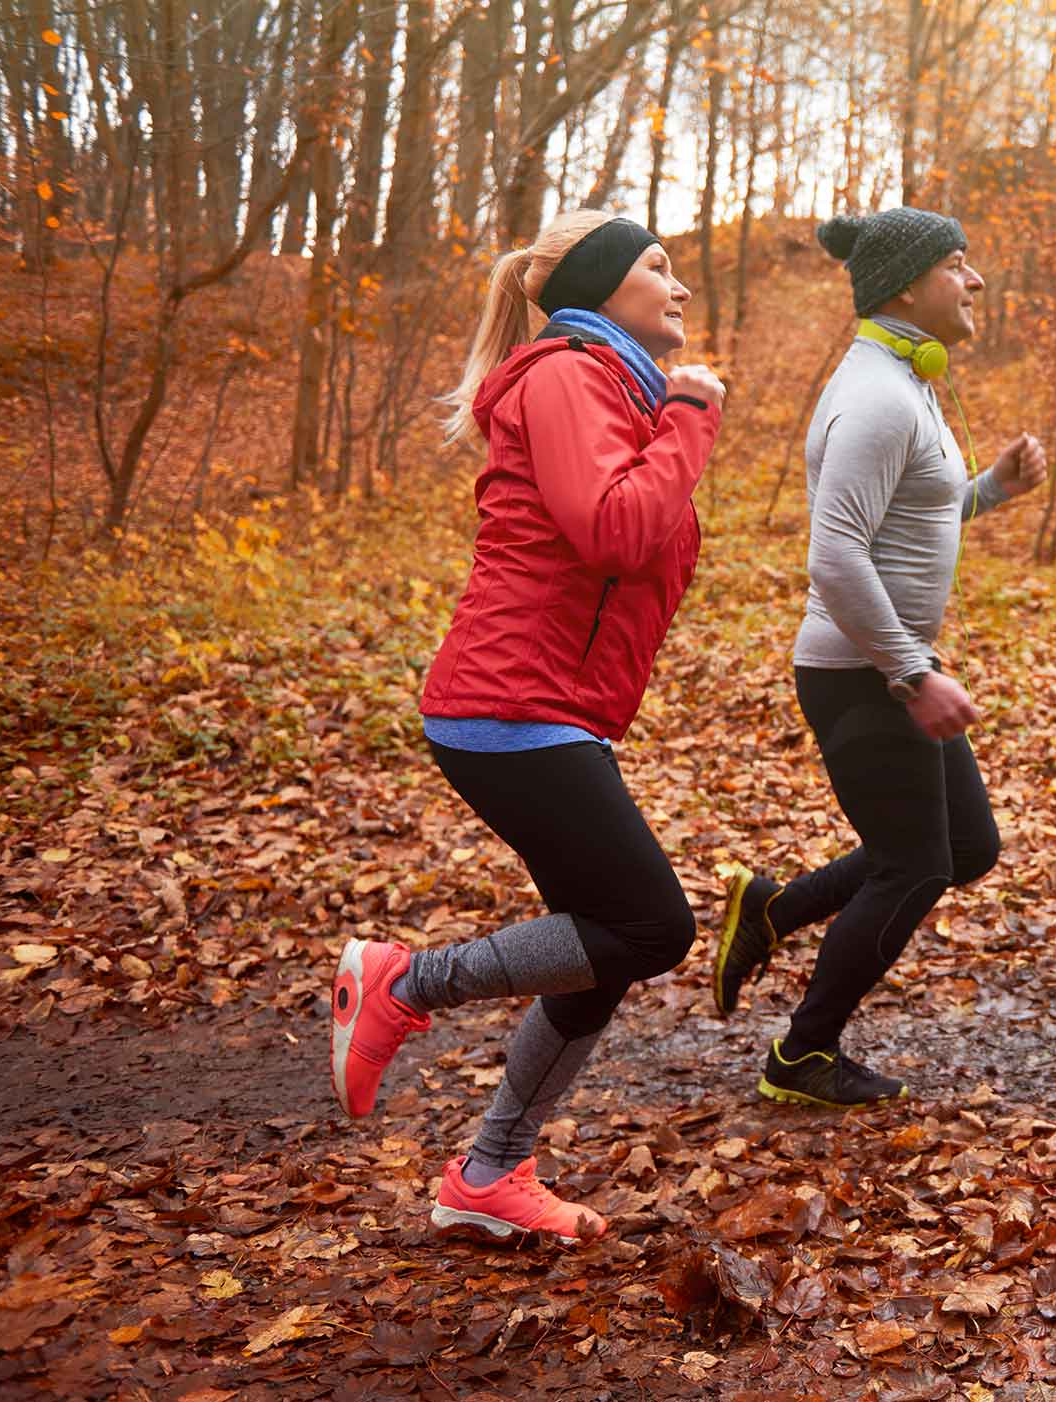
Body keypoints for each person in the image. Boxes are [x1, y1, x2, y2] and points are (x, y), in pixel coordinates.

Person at [328, 209, 724, 1243]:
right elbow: (617, 529)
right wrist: (690, 417)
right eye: (657, 266)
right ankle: (401, 982)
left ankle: (488, 1174)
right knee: (652, 928)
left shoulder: (608, 385)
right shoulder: (568, 376)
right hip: (510, 703)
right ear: (600, 288)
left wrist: (668, 417)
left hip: (547, 707)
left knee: (596, 956)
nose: (679, 286)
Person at [710, 207, 1047, 1108]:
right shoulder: (875, 396)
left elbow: (912, 517)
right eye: (958, 265)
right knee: (916, 864)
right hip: (863, 672)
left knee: (964, 846)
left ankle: (773, 913)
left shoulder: (907, 381)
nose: (976, 281)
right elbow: (835, 553)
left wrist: (991, 490)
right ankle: (802, 1056)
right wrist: (911, 672)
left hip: (888, 665)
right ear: (905, 285)